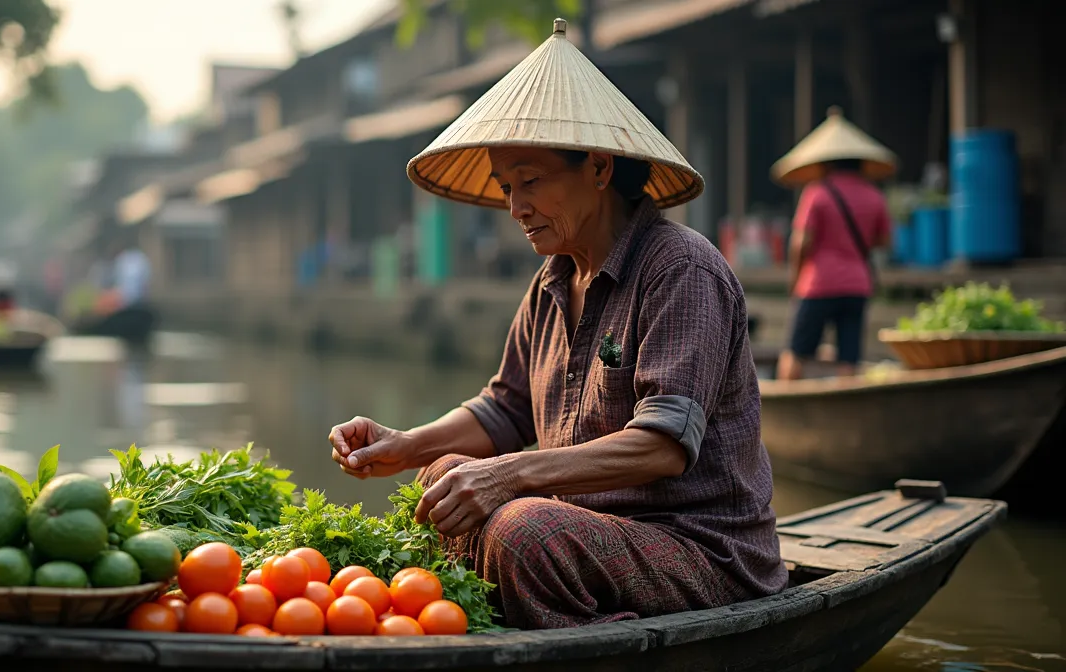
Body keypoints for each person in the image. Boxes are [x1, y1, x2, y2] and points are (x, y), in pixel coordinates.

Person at [327, 19, 785, 631]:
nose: (516, 209)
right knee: (443, 481)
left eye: (532, 183)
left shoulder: (680, 269)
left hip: (701, 549)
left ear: (598, 168)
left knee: (521, 531)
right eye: (508, 188)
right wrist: (406, 446)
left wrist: (509, 474)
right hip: (590, 535)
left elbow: (664, 445)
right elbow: (504, 409)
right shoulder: (551, 281)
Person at [771, 107, 896, 380]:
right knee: (848, 357)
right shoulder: (875, 196)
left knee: (795, 351)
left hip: (818, 284)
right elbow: (885, 242)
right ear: (861, 162)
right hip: (857, 284)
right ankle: (846, 409)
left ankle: (786, 405)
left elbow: (800, 242)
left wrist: (795, 279)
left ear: (825, 163)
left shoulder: (817, 193)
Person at [111, 238, 151, 309]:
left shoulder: (122, 259)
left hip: (129, 300)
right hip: (132, 299)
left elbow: (118, 281)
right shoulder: (141, 258)